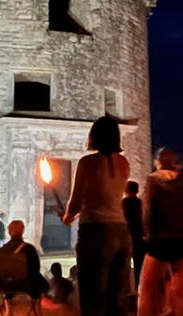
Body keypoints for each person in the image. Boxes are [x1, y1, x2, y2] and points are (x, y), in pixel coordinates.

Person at [62, 116, 131, 316]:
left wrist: (69, 215)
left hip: (96, 230)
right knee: (116, 294)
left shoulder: (88, 162)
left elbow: (77, 197)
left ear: (94, 136)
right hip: (121, 230)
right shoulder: (124, 162)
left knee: (93, 291)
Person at [137, 148, 183, 316]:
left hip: (160, 239)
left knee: (146, 289)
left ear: (158, 163)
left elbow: (147, 210)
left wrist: (147, 233)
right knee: (181, 294)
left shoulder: (153, 181)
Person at [0, 220, 49, 301]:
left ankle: (7, 304)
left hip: (5, 285)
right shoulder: (29, 249)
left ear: (9, 232)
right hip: (26, 284)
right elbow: (36, 268)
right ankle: (36, 303)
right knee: (42, 284)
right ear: (23, 231)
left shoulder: (2, 250)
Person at [122, 180, 144, 286]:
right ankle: (138, 286)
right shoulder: (140, 203)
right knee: (139, 263)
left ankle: (126, 287)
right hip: (139, 235)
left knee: (124, 262)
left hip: (127, 234)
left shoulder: (124, 202)